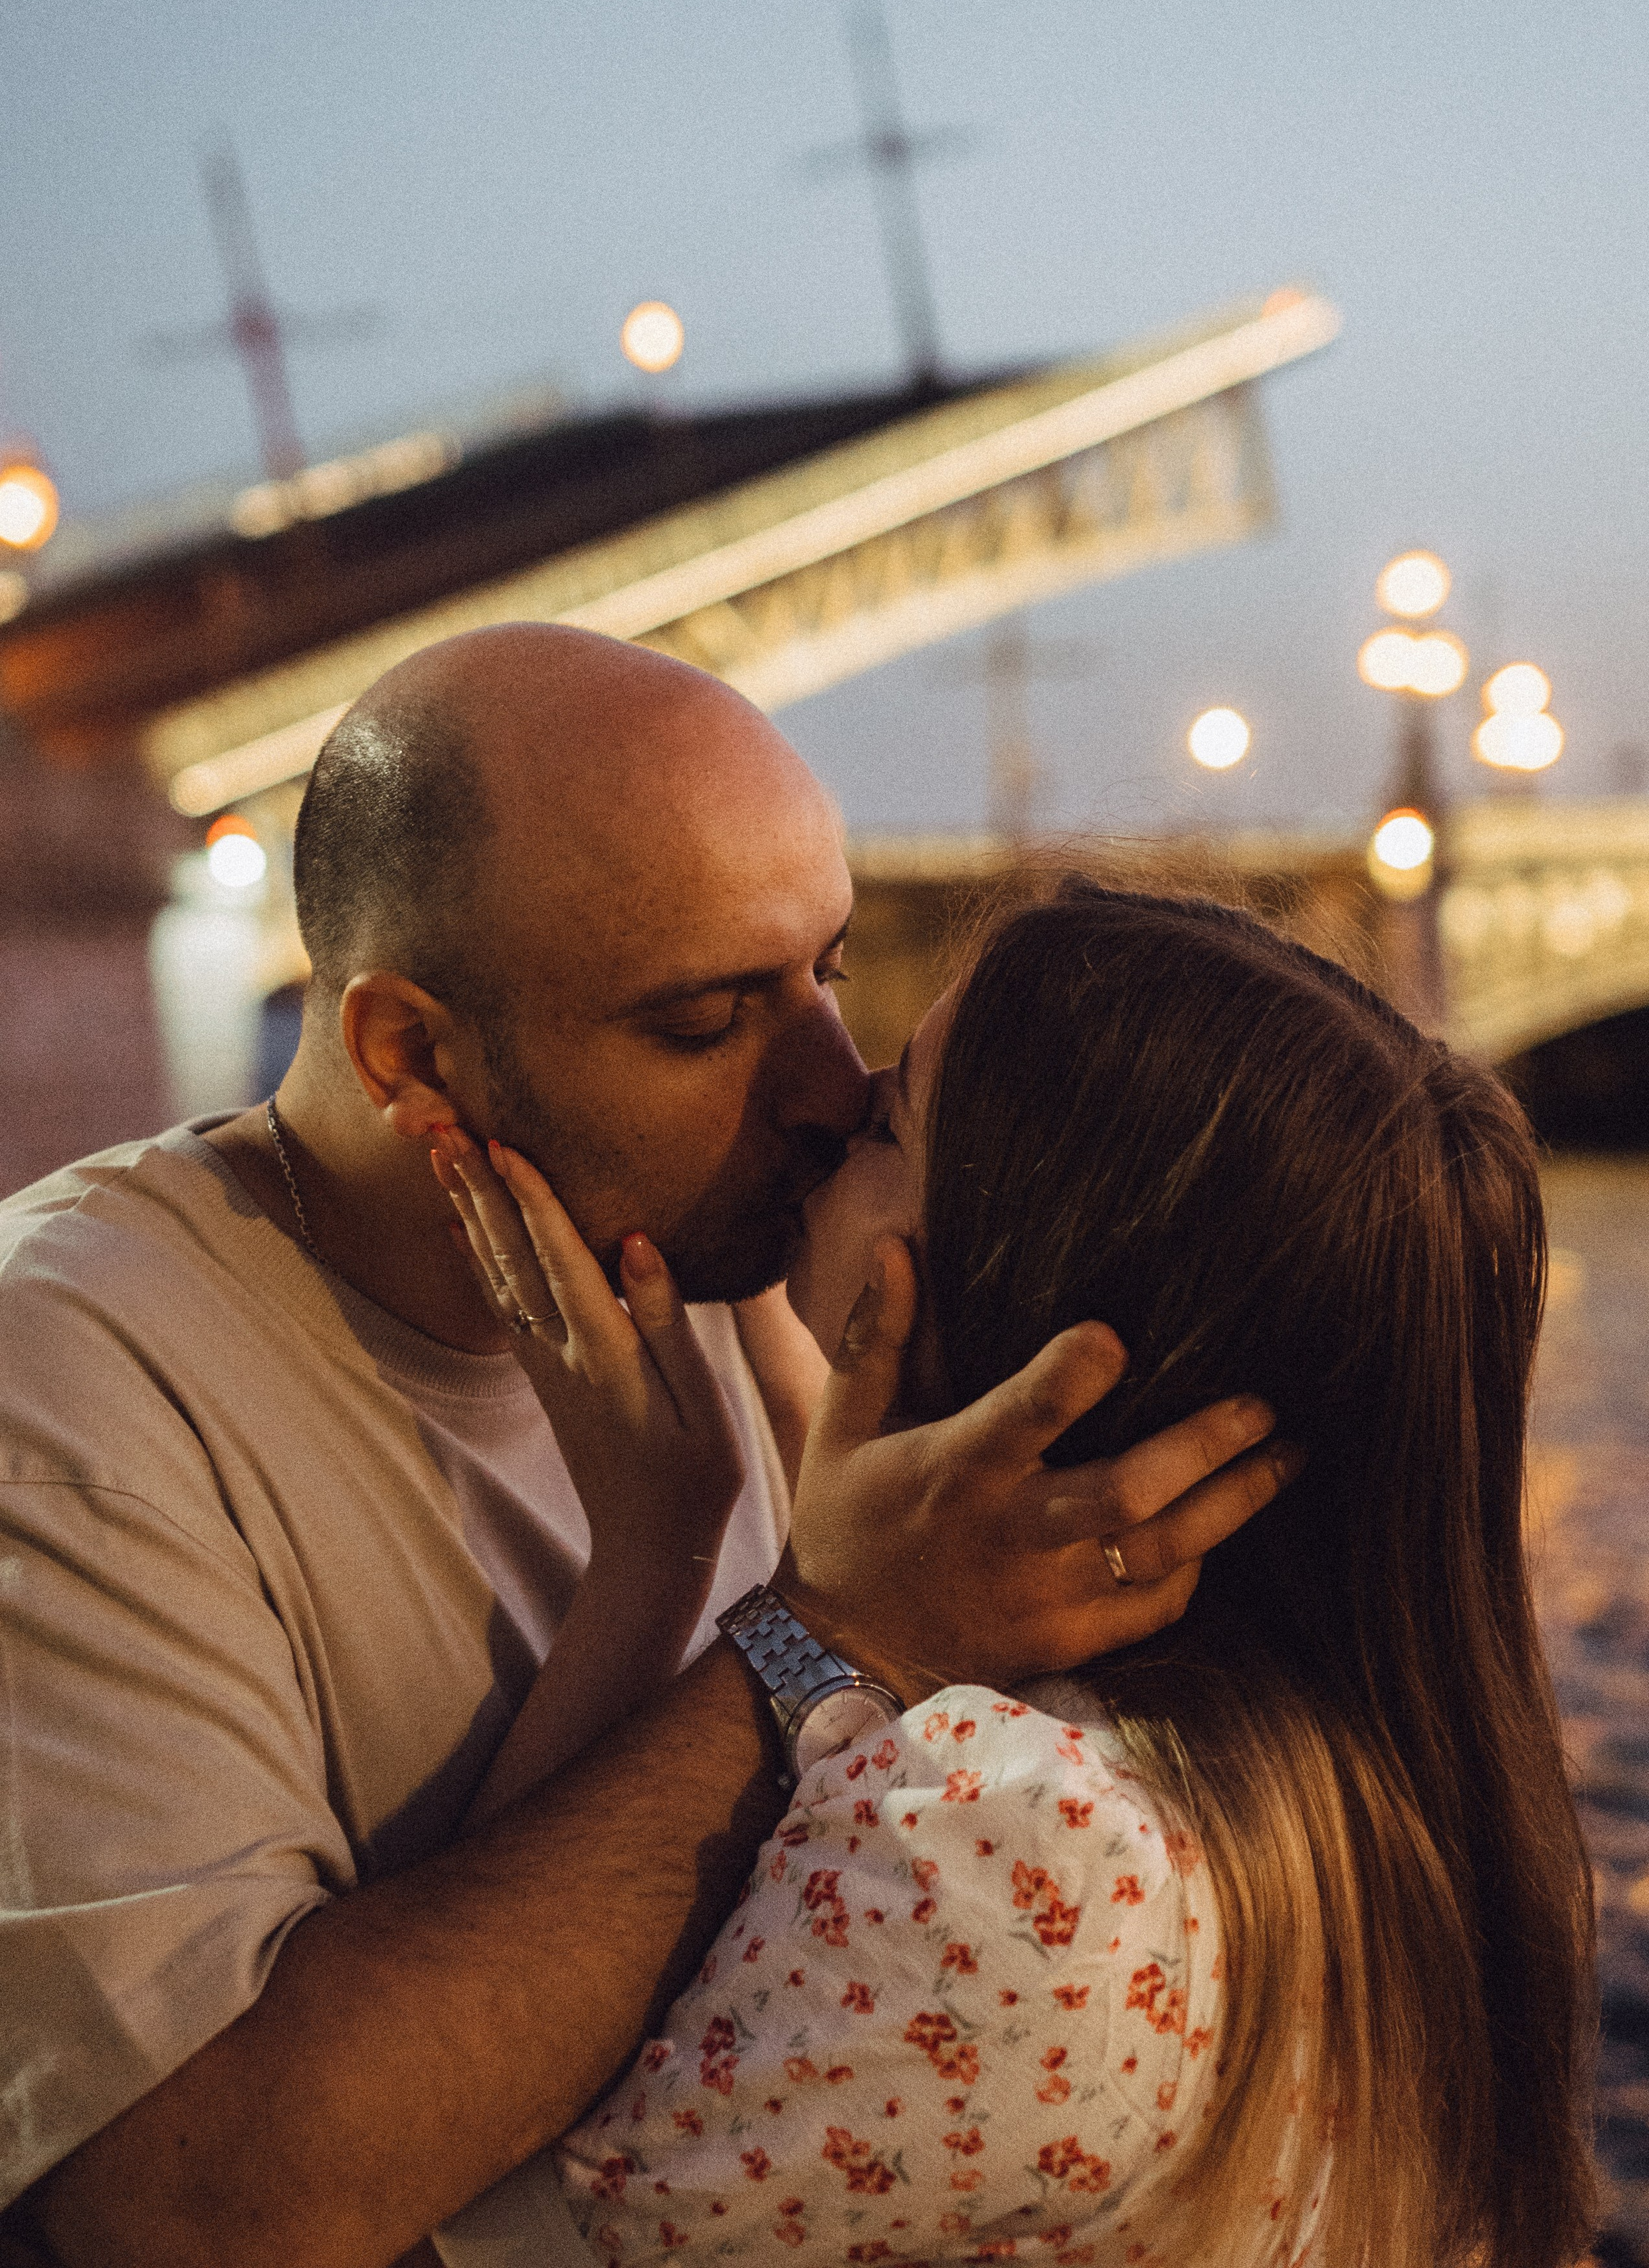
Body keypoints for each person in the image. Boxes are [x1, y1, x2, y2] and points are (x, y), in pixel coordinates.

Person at [0, 630, 1295, 2268]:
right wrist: (824, 1637)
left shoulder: (716, 1265)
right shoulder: (70, 1390)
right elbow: (189, 2219)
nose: (836, 1088)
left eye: (827, 969)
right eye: (707, 1019)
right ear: (411, 1052)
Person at [425, 880, 1597, 2268]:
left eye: (892, 1122)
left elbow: (434, 2198)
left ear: (1035, 1296)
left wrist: (672, 1564)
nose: (824, 1112)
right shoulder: (1345, 1792)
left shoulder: (1018, 1848)